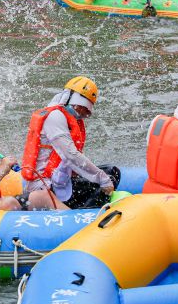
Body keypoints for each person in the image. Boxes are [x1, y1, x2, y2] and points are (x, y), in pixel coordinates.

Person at [21, 77, 118, 209]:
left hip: (60, 180)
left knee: (112, 171)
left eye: (86, 110)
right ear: (69, 98)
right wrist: (102, 178)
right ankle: (86, 215)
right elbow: (70, 156)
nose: (83, 113)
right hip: (46, 185)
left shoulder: (69, 118)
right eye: (81, 107)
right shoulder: (55, 117)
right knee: (109, 177)